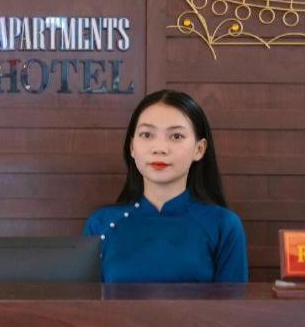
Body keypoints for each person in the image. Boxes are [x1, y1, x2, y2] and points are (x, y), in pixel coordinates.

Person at [83, 89, 247, 283]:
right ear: (132, 147)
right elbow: (84, 301)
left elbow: (233, 302)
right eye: (146, 134)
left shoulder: (224, 225)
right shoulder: (101, 224)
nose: (159, 148)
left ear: (199, 149)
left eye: (176, 136)